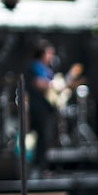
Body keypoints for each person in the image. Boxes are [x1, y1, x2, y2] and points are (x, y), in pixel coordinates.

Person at [25, 39, 79, 173]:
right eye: (50, 53)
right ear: (42, 53)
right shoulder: (36, 66)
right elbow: (39, 84)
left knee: (46, 138)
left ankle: (42, 167)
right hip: (39, 107)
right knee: (42, 137)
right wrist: (55, 85)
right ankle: (39, 168)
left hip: (47, 107)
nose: (52, 56)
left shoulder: (47, 69)